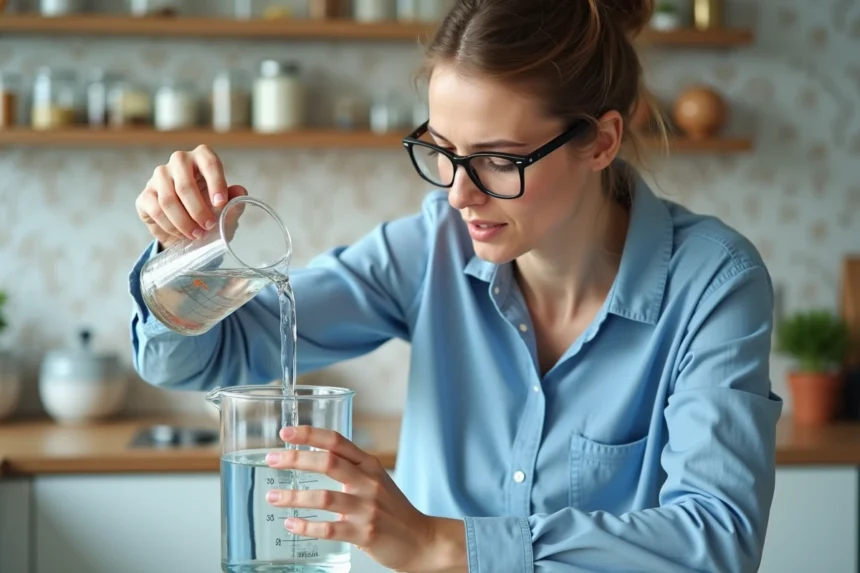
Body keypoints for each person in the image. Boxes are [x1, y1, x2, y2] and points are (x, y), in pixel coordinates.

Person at [129, 0, 783, 571]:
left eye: (498, 159)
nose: (458, 193)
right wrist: (181, 253)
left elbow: (718, 542)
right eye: (443, 150)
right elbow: (193, 357)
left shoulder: (713, 282)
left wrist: (438, 544)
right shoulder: (429, 248)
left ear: (601, 142)